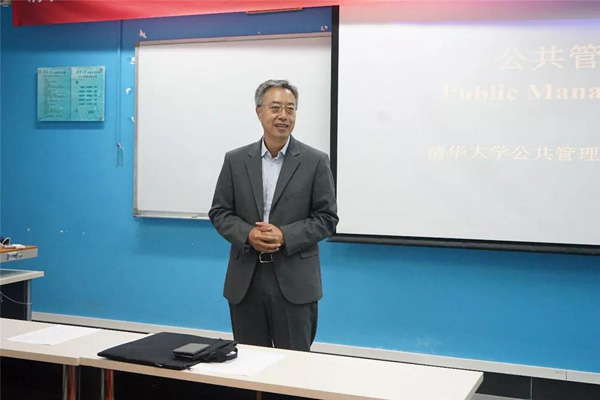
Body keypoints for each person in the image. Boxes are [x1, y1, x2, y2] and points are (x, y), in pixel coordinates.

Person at [209, 79, 338, 352]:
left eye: (290, 109)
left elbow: (327, 218)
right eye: (276, 107)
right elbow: (220, 212)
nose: (283, 116)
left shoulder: (315, 161)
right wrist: (248, 234)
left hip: (294, 281)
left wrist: (284, 235)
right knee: (249, 361)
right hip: (246, 280)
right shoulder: (235, 160)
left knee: (293, 364)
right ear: (259, 112)